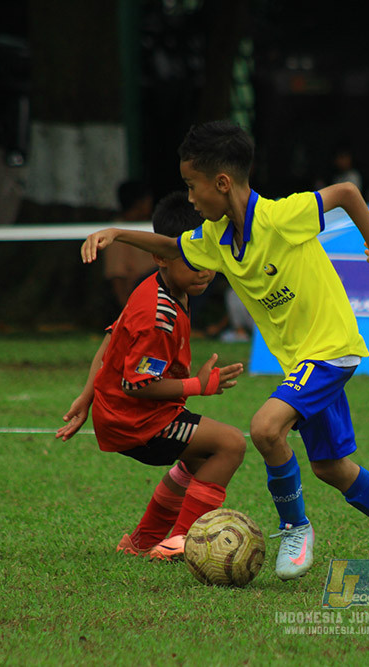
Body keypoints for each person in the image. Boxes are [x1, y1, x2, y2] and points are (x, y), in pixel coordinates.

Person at [81, 120, 369, 584]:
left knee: (264, 428)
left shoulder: (281, 217)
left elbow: (345, 194)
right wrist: (118, 232)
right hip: (301, 360)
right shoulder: (216, 239)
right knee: (331, 468)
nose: (191, 198)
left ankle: (294, 528)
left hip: (330, 349)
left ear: (222, 182)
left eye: (192, 186)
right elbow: (173, 247)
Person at [58, 192, 247, 560]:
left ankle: (142, 541)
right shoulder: (158, 314)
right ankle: (180, 542)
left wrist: (87, 394)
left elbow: (112, 337)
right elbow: (137, 384)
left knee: (199, 461)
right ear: (160, 256)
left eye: (209, 258)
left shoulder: (164, 286)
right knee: (230, 444)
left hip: (125, 412)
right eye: (194, 261)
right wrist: (199, 386)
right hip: (137, 420)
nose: (205, 269)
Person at [103, 180, 157, 309]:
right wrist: (128, 310)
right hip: (140, 286)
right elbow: (117, 276)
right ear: (139, 203)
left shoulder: (147, 225)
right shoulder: (117, 232)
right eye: (148, 200)